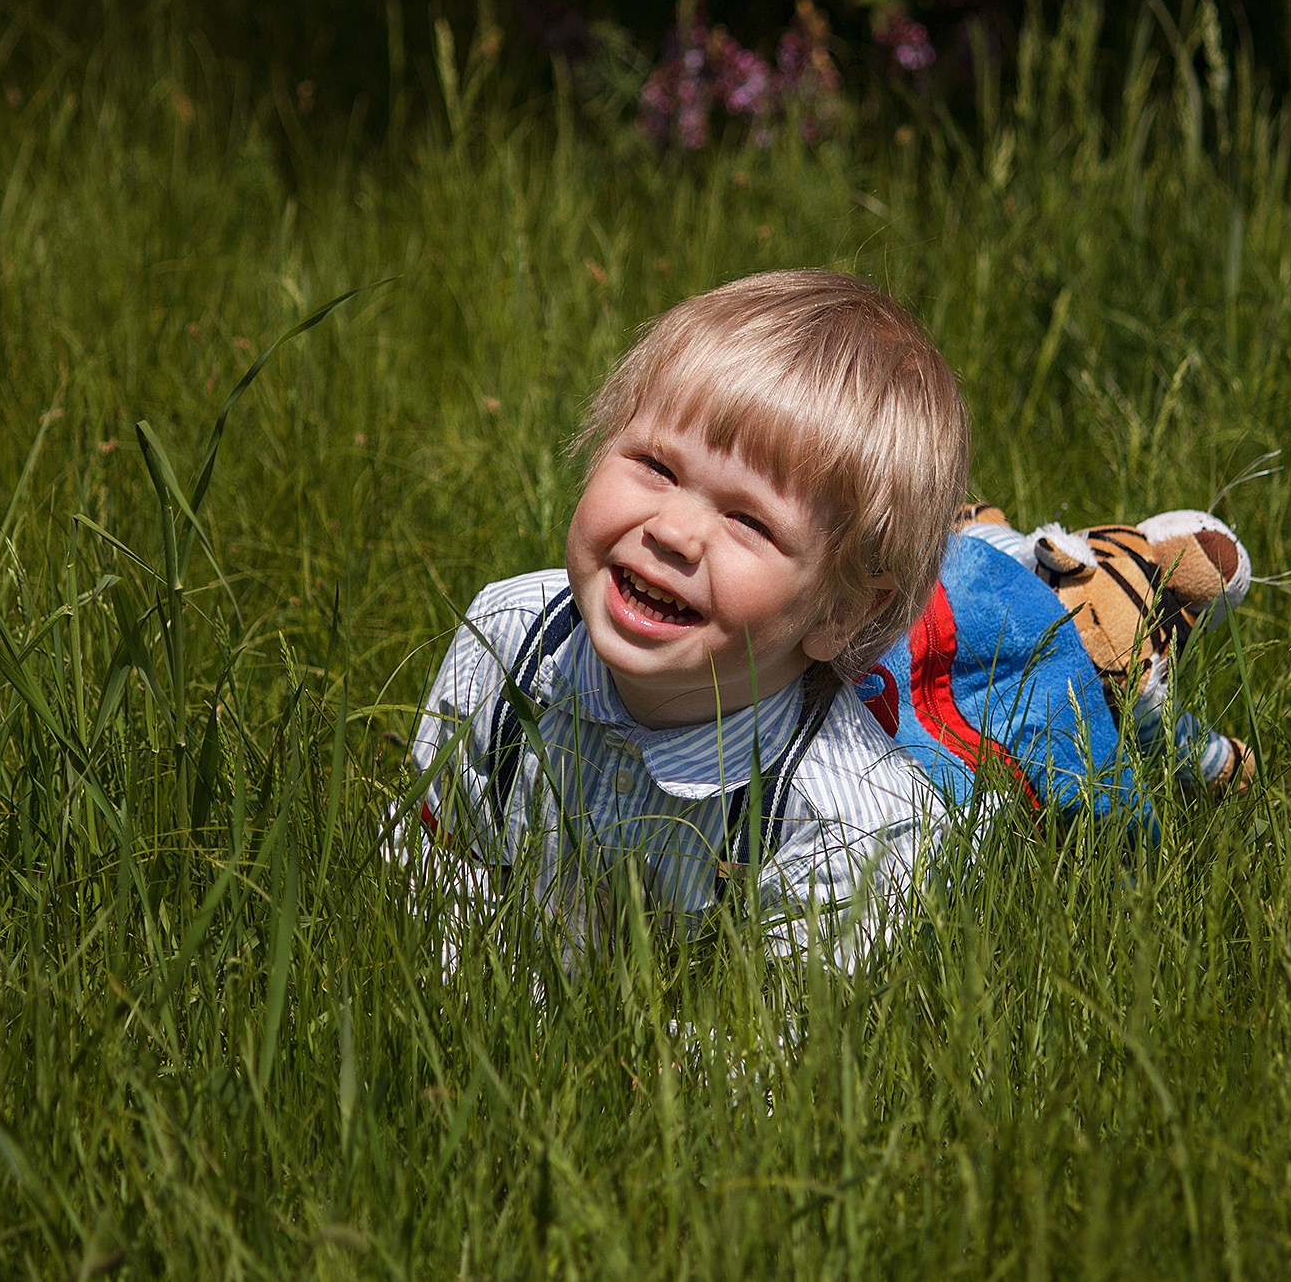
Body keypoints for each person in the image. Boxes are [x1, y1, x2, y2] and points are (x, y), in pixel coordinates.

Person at [403, 269, 969, 969]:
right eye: (657, 467)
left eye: (746, 519)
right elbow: (426, 868)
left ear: (841, 610)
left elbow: (756, 1057)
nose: (673, 530)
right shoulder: (509, 634)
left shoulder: (856, 825)